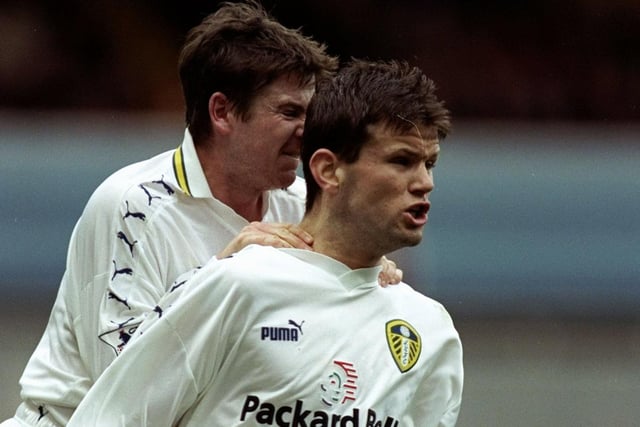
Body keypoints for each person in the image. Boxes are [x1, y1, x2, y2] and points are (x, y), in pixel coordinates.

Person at [2, 2, 364, 426]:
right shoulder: (132, 206)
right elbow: (122, 391)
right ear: (222, 112)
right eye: (289, 112)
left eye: (310, 112)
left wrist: (369, 278)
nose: (309, 131)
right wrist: (222, 272)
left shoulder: (304, 204)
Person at [67, 59, 464, 427]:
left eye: (429, 164)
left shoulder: (430, 330)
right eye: (401, 161)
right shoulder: (236, 284)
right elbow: (111, 415)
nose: (425, 183)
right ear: (328, 170)